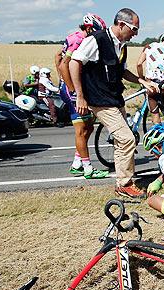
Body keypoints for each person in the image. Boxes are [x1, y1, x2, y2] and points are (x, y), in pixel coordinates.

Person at [70, 8, 159, 199]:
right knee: (127, 139)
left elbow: (122, 71)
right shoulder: (97, 40)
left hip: (114, 97)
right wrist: (79, 96)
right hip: (99, 100)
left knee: (123, 140)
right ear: (121, 24)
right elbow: (74, 62)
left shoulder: (122, 45)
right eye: (134, 29)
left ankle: (124, 181)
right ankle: (124, 184)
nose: (136, 33)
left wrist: (141, 80)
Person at [56, 13, 108, 179]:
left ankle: (77, 164)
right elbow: (64, 64)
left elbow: (57, 56)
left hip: (73, 88)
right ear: (88, 28)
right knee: (81, 130)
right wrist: (72, 90)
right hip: (72, 91)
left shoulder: (77, 37)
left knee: (89, 127)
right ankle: (87, 169)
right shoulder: (79, 39)